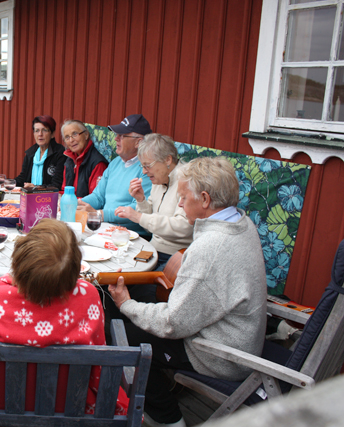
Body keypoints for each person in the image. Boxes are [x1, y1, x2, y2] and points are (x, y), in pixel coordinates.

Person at [107, 157, 267, 427]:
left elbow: (173, 324)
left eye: (183, 197)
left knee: (121, 337)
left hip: (221, 355)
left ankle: (168, 419)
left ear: (204, 199)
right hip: (237, 333)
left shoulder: (212, 247)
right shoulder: (241, 222)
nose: (179, 204)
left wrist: (126, 304)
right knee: (140, 301)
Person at [0, 219, 129, 415]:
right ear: (75, 268)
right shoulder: (89, 298)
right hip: (69, 410)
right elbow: (98, 360)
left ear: (19, 260)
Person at [114, 134, 193, 269]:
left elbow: (183, 227)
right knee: (118, 266)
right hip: (152, 249)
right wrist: (141, 200)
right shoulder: (159, 179)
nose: (144, 172)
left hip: (175, 257)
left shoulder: (187, 181)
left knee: (128, 281)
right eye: (142, 166)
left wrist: (138, 216)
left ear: (167, 160)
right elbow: (148, 225)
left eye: (147, 165)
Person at [77, 114, 153, 238]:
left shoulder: (146, 168)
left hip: (132, 236)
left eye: (122, 136)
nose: (116, 138)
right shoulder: (115, 162)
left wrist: (98, 214)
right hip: (106, 230)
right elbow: (98, 197)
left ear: (138, 142)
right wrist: (77, 204)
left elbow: (136, 209)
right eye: (117, 134)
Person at [14, 115, 65, 189]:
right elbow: (23, 178)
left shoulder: (60, 153)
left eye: (44, 130)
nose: (40, 134)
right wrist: (8, 183)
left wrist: (36, 188)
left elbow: (57, 184)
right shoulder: (30, 154)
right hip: (29, 195)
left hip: (50, 198)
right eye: (37, 130)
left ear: (52, 134)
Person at [60, 120, 108, 197]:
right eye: (67, 137)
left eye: (75, 134)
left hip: (86, 207)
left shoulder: (98, 163)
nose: (71, 140)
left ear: (86, 135)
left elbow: (95, 198)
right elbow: (64, 190)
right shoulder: (70, 160)